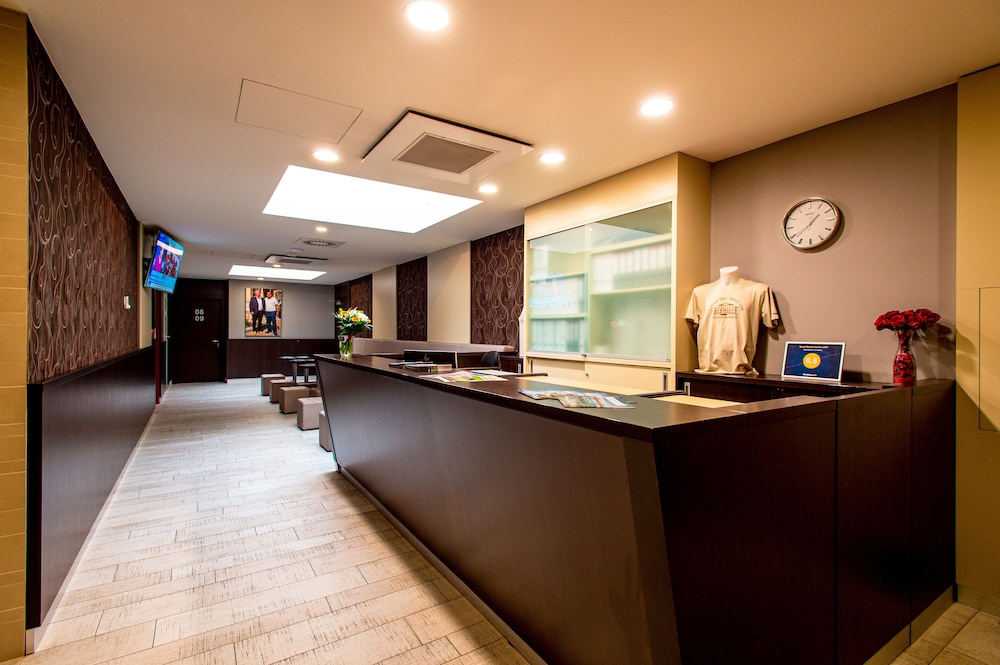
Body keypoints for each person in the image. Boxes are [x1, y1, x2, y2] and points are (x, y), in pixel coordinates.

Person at [685, 266, 779, 376]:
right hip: (707, 370)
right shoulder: (700, 292)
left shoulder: (759, 290)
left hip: (741, 370)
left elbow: (770, 322)